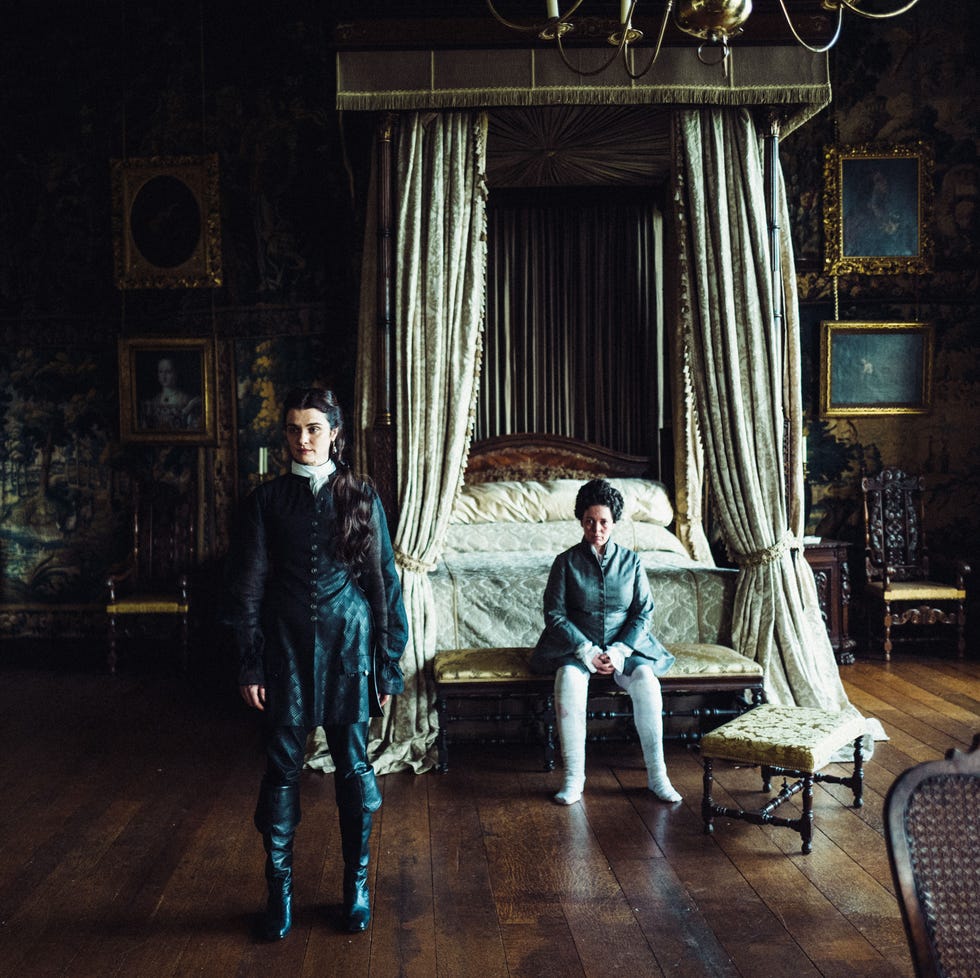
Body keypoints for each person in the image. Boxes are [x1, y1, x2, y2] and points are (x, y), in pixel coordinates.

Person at [223, 387, 407, 939]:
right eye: (293, 430)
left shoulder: (361, 495)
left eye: (314, 429)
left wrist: (388, 663)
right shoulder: (266, 500)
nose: (303, 440)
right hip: (282, 648)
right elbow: (248, 589)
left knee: (353, 767)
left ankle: (356, 887)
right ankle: (279, 894)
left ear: (334, 434)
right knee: (281, 770)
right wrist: (250, 664)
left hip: (350, 648)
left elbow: (382, 584)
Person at [530, 478, 681, 807]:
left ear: (614, 522)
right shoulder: (565, 562)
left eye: (603, 522)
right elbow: (554, 614)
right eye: (589, 521)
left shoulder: (632, 562)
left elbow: (644, 613)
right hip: (575, 647)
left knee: (646, 681)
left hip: (625, 647)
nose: (596, 529)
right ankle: (573, 779)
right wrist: (586, 649)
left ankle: (657, 776)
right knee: (568, 677)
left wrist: (620, 650)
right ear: (580, 521)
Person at [140, 356, 201, 430]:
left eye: (168, 372)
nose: (164, 376)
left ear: (176, 374)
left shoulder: (186, 399)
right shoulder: (154, 400)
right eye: (161, 372)